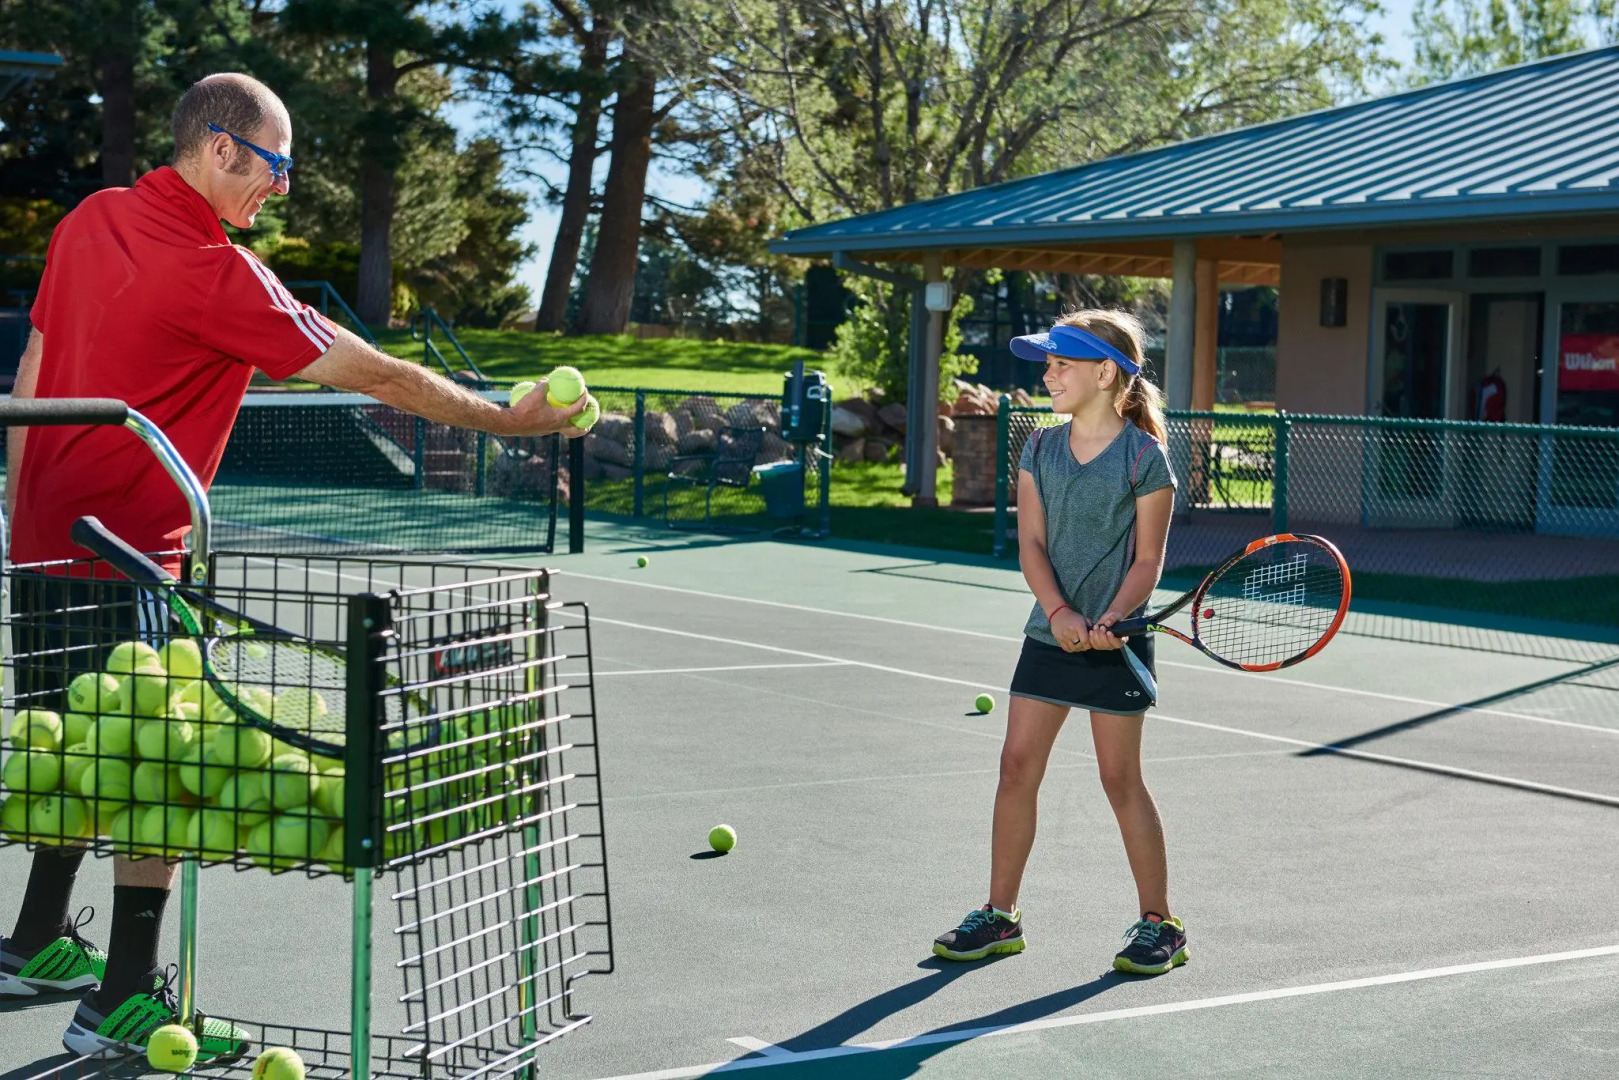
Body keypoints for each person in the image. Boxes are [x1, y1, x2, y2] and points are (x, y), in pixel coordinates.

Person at [0, 72, 585, 1061]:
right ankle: (124, 997)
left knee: (73, 750)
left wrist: (24, 520)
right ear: (221, 149)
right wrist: (504, 418)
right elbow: (376, 371)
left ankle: (30, 941)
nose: (280, 188)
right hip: (136, 560)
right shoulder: (213, 270)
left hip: (44, 549)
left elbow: (32, 369)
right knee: (156, 776)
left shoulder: (89, 220)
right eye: (275, 167)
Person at [931, 310, 1187, 975]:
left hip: (1116, 643)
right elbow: (1031, 546)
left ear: (1105, 374)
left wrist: (1109, 618)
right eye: (1047, 364)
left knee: (1117, 776)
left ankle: (1160, 924)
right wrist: (1060, 612)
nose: (1047, 375)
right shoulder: (1038, 448)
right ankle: (999, 916)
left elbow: (1147, 560)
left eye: (1060, 364)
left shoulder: (1143, 456)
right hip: (1048, 635)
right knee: (1015, 765)